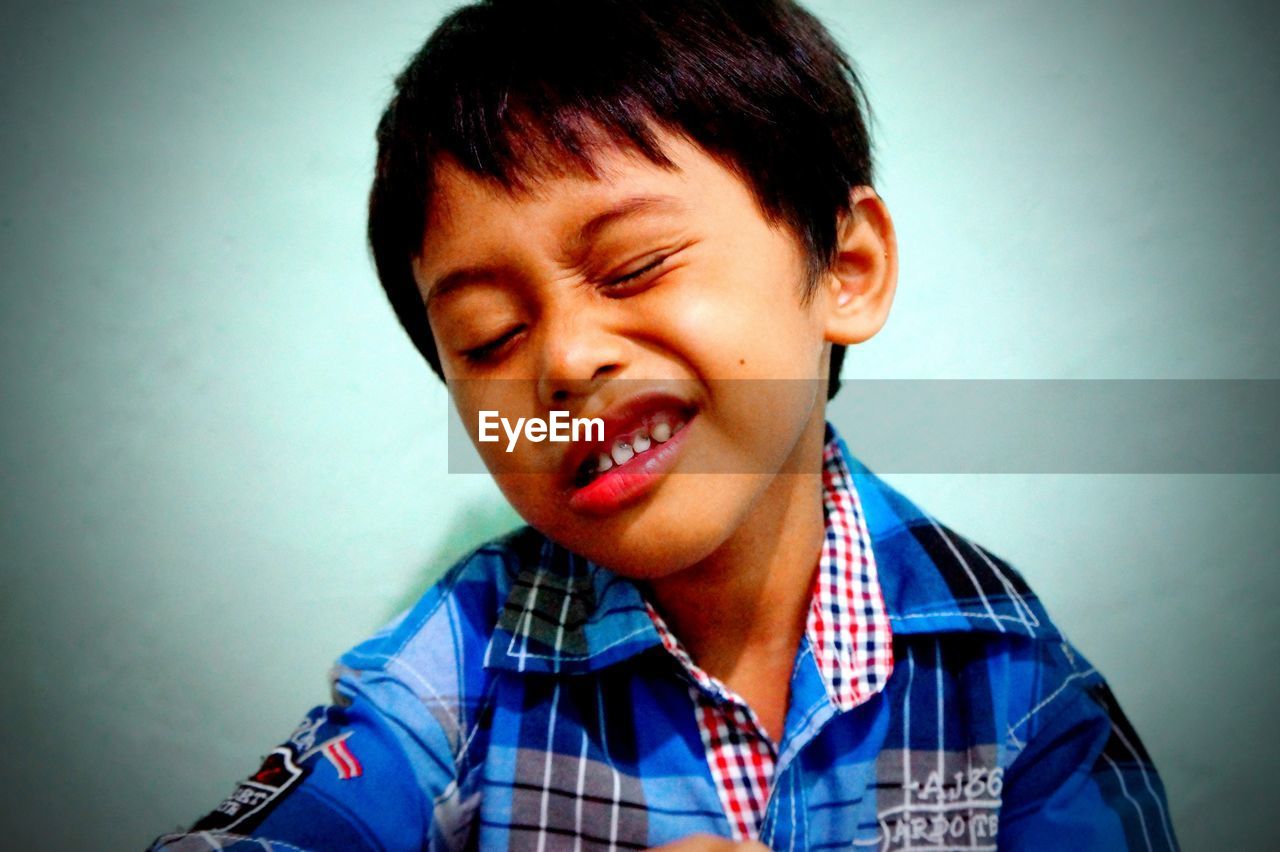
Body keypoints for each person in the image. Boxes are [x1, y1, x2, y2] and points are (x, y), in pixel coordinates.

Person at [151, 1, 1178, 849]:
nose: (563, 360)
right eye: (487, 335)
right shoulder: (452, 672)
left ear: (845, 271)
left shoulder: (1006, 681)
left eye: (634, 267)